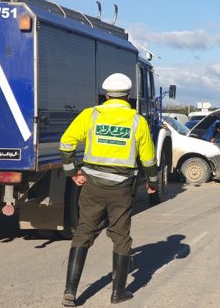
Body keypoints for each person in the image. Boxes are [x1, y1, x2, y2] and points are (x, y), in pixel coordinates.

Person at [58, 73, 158, 306]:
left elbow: (66, 143)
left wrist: (73, 172)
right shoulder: (137, 121)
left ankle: (70, 291)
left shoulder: (90, 115)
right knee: (121, 237)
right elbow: (149, 159)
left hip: (92, 185)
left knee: (83, 233)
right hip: (121, 189)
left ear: (106, 95)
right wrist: (152, 183)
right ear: (128, 96)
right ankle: (118, 293)